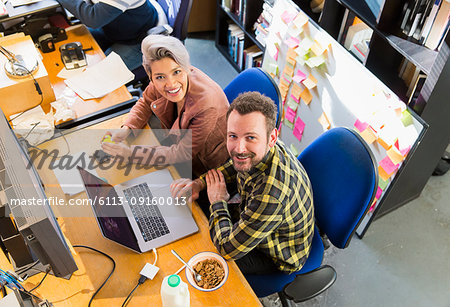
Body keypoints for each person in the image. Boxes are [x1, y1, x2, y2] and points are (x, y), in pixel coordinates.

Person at [170, 92, 315, 274]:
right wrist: (200, 183)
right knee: (197, 218)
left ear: (272, 138)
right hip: (259, 216)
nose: (239, 148)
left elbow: (226, 248)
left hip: (276, 254)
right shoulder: (263, 146)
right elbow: (235, 163)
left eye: (250, 138)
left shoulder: (271, 195)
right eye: (233, 136)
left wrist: (218, 202)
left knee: (204, 255)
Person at [101, 35, 230, 178]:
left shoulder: (206, 105)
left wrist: (130, 154)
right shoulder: (160, 75)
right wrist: (127, 129)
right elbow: (145, 102)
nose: (171, 84)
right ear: (151, 77)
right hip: (174, 143)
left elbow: (182, 153)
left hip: (203, 169)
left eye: (177, 72)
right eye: (160, 77)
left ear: (186, 69)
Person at [56, 0, 160, 70]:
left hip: (137, 40)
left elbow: (93, 19)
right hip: (112, 28)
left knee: (99, 76)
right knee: (64, 47)